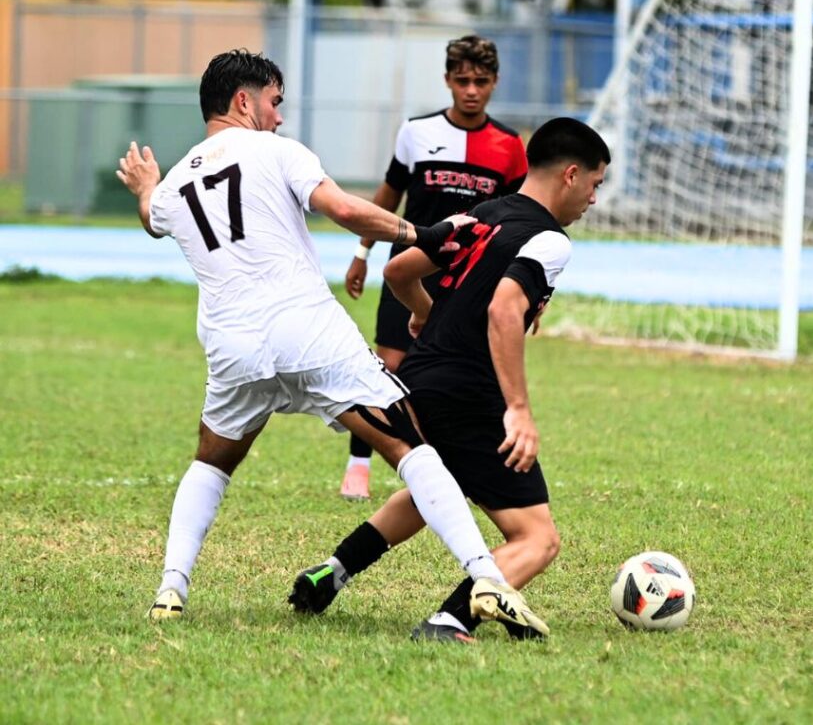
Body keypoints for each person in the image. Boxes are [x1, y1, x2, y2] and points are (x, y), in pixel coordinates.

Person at [115, 48, 546, 638]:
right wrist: (426, 233)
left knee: (212, 462)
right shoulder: (279, 151)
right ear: (245, 100)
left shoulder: (174, 186)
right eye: (275, 102)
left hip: (231, 345)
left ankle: (170, 589)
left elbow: (151, 217)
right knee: (410, 445)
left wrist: (146, 184)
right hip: (306, 330)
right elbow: (343, 209)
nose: (279, 116)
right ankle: (487, 578)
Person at [288, 117, 610, 642]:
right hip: (469, 393)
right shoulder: (551, 240)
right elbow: (505, 311)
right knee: (537, 537)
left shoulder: (483, 215)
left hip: (419, 379)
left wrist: (423, 312)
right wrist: (519, 410)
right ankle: (453, 618)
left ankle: (332, 572)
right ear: (571, 175)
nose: (593, 199)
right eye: (595, 184)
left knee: (434, 488)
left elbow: (398, 273)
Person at [338, 35, 528, 502]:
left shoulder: (509, 147)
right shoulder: (415, 132)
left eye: (480, 81)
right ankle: (358, 466)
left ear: (494, 83)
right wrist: (362, 252)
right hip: (408, 268)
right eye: (462, 80)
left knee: (460, 374)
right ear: (447, 80)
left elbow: (521, 220)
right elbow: (387, 198)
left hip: (469, 280)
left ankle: (447, 466)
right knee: (388, 368)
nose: (470, 90)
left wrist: (525, 287)